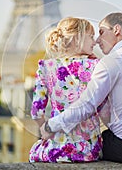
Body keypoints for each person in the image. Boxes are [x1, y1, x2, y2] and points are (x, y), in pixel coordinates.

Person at [40, 12, 122, 164]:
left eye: (102, 32)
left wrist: (50, 125)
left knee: (94, 142)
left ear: (116, 30)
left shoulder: (111, 62)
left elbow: (86, 106)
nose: (97, 40)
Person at [29, 17, 103, 163]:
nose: (94, 42)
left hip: (58, 148)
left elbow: (36, 112)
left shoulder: (45, 66)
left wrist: (45, 129)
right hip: (89, 150)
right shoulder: (96, 65)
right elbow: (104, 108)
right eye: (91, 37)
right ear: (77, 39)